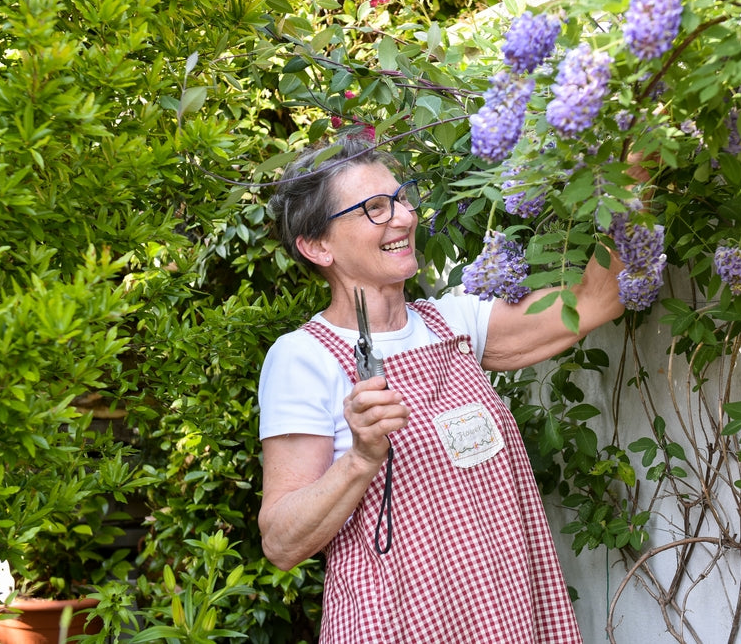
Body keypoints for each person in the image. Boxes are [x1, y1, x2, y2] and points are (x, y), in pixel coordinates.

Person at [257, 137, 626, 643]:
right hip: (396, 624)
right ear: (318, 246)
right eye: (375, 209)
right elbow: (281, 542)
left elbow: (597, 300)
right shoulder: (303, 357)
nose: (404, 217)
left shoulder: (456, 323)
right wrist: (361, 459)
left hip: (502, 614)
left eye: (401, 198)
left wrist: (631, 174)